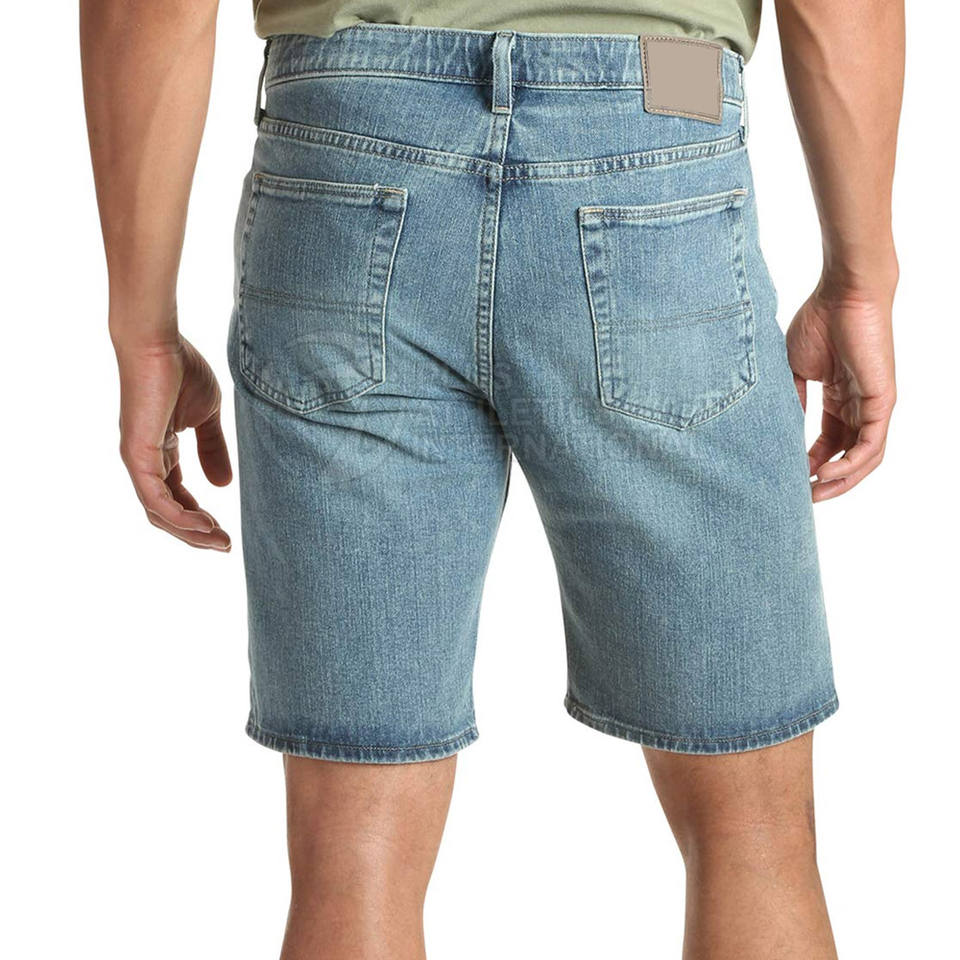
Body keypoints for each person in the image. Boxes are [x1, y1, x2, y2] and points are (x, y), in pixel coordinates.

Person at [80, 0, 902, 957]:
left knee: (355, 853)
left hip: (345, 135)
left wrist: (142, 327)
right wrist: (861, 279)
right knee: (751, 833)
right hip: (654, 118)